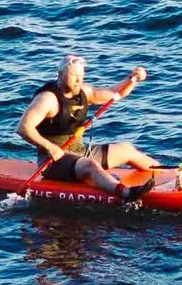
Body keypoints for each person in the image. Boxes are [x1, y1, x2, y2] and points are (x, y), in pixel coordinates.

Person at [19, 54, 158, 197]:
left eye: (81, 75)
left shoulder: (83, 92)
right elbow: (23, 128)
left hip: (80, 151)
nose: (78, 80)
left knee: (126, 149)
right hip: (52, 161)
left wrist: (132, 79)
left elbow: (114, 92)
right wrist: (50, 147)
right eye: (73, 76)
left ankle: (170, 175)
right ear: (60, 75)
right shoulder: (47, 99)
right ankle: (126, 192)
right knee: (89, 165)